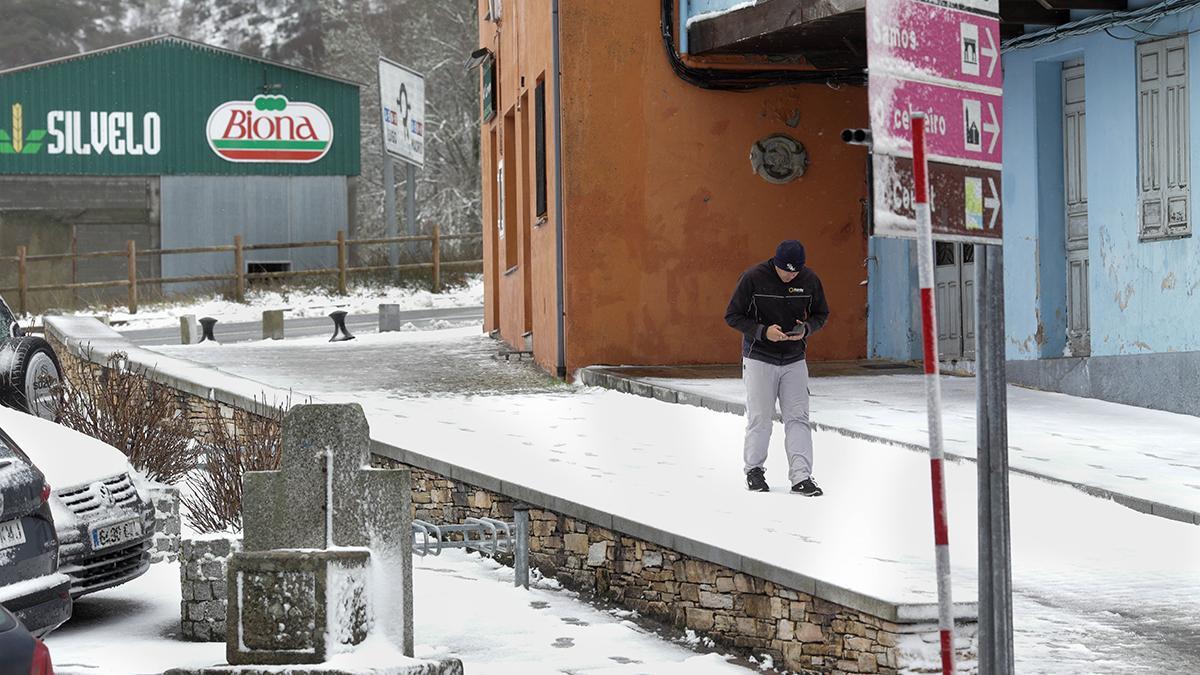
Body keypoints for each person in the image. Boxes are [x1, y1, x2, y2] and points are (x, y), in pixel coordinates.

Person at [724, 240, 829, 496]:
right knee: (761, 417)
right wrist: (762, 332)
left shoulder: (809, 279)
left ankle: (802, 477)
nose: (790, 275)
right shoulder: (752, 278)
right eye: (786, 270)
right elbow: (732, 315)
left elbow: (821, 314)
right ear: (776, 262)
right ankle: (754, 470)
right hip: (759, 356)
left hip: (794, 358)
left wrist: (806, 329)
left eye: (795, 271)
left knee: (798, 418)